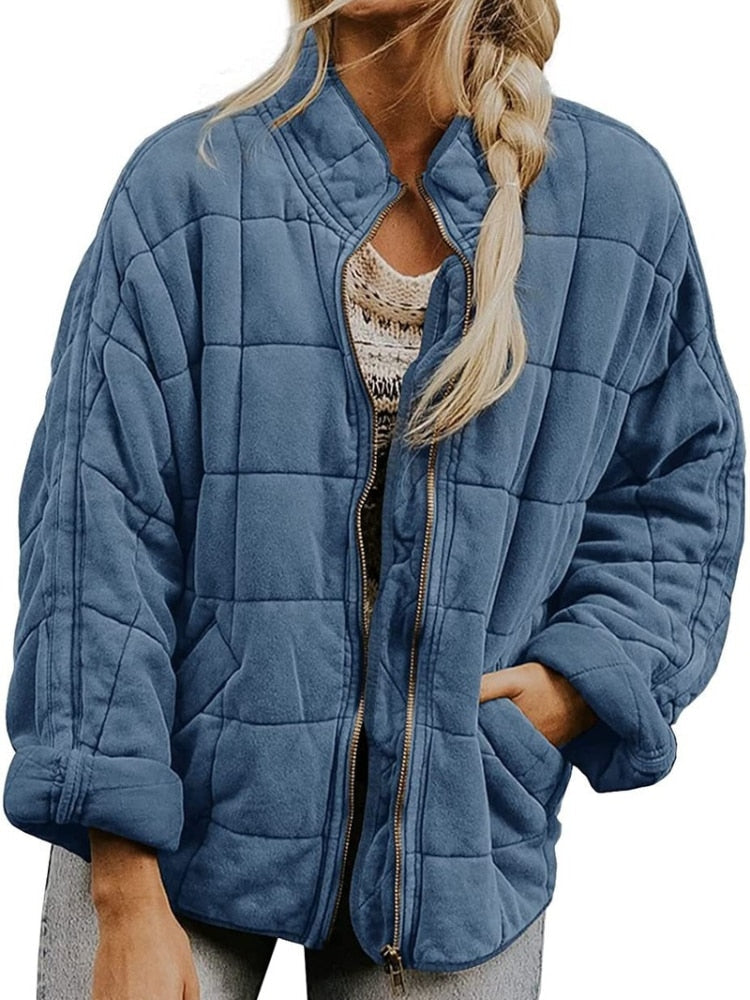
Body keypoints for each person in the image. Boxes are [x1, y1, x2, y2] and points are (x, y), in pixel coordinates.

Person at [4, 1, 746, 998]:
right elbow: (96, 533)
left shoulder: (615, 203)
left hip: (457, 850)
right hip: (166, 829)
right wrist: (125, 883)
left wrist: (579, 683)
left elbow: (682, 484)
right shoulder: (189, 187)